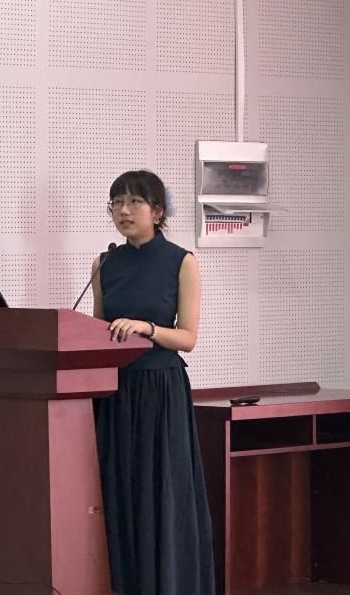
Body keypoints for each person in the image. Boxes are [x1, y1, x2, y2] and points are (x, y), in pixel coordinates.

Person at [91, 170, 215, 595]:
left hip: (160, 389)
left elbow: (188, 338)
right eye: (116, 203)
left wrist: (147, 328)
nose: (123, 211)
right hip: (114, 392)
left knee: (159, 490)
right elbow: (98, 330)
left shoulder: (181, 261)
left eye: (134, 202)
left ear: (158, 211)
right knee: (119, 489)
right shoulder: (104, 264)